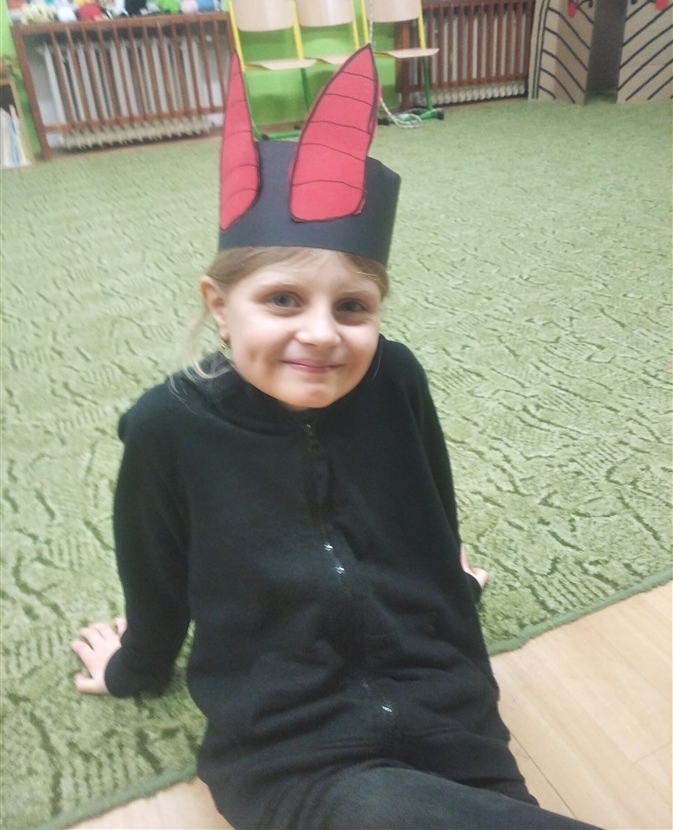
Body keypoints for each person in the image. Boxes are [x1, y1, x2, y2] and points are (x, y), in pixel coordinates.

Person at [71, 47, 600, 830]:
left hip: (446, 710)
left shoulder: (395, 378)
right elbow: (153, 576)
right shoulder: (166, 428)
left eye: (351, 307)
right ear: (219, 306)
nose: (321, 333)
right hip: (292, 751)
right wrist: (133, 667)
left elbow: (430, 511)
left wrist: (446, 586)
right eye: (283, 300)